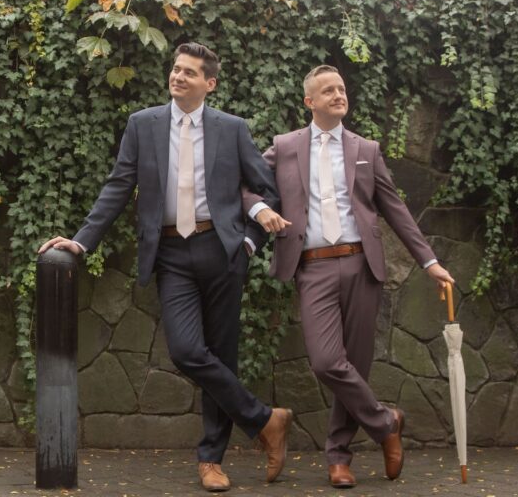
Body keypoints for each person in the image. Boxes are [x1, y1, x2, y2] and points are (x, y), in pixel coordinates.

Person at [39, 42, 293, 492]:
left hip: (222, 251)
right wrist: (81, 241)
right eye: (175, 70)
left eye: (189, 73)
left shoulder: (231, 129)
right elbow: (119, 185)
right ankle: (264, 420)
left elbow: (266, 189)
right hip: (172, 254)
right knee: (187, 351)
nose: (178, 77)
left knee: (223, 355)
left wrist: (250, 243)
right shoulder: (143, 124)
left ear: (209, 84)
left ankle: (211, 460)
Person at [243, 65, 455, 489]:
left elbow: (395, 209)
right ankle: (385, 423)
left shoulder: (366, 149)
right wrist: (258, 208)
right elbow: (243, 184)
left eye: (341, 89)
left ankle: (339, 458)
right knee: (326, 362)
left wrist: (429, 261)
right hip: (312, 266)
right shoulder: (285, 147)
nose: (338, 95)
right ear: (310, 102)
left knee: (354, 364)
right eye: (328, 90)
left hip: (362, 264)